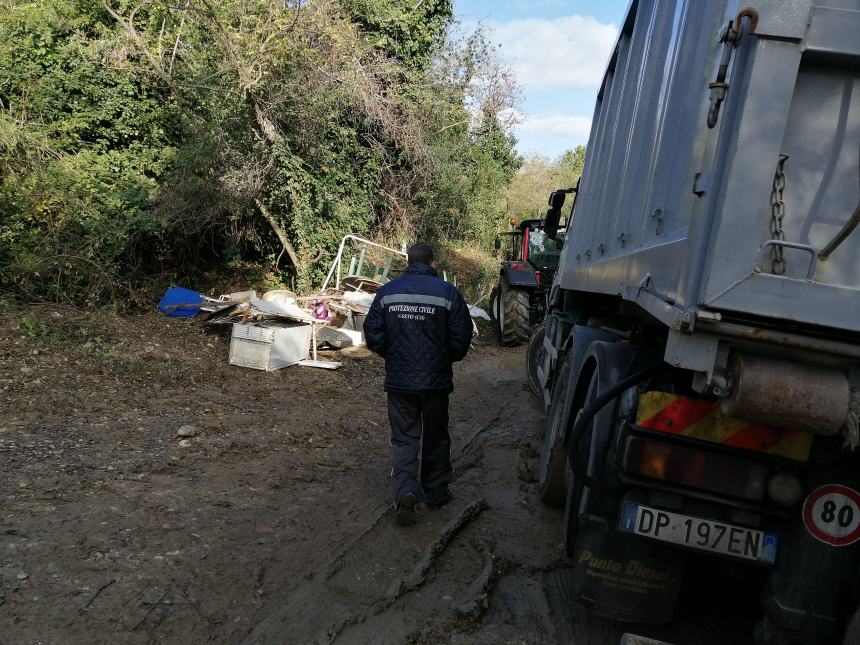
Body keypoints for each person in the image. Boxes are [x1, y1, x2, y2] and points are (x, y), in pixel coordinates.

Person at [363, 243, 472, 526]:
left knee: (404, 437)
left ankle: (406, 491)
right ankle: (435, 492)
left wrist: (395, 355)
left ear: (408, 262)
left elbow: (372, 334)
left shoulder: (388, 292)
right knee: (436, 435)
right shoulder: (448, 293)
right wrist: (443, 359)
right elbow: (461, 338)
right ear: (433, 263)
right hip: (436, 383)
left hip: (400, 382)